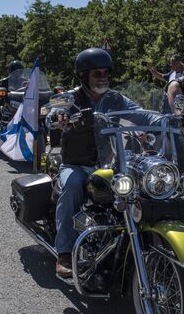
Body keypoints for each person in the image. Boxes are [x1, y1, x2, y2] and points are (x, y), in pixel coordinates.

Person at [54, 48, 155, 277]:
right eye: (97, 73)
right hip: (76, 164)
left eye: (105, 73)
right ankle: (65, 252)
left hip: (109, 165)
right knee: (71, 187)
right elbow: (53, 113)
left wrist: (163, 119)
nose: (102, 78)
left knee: (139, 187)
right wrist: (58, 118)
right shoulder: (70, 98)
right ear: (84, 75)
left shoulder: (116, 98)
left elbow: (141, 113)